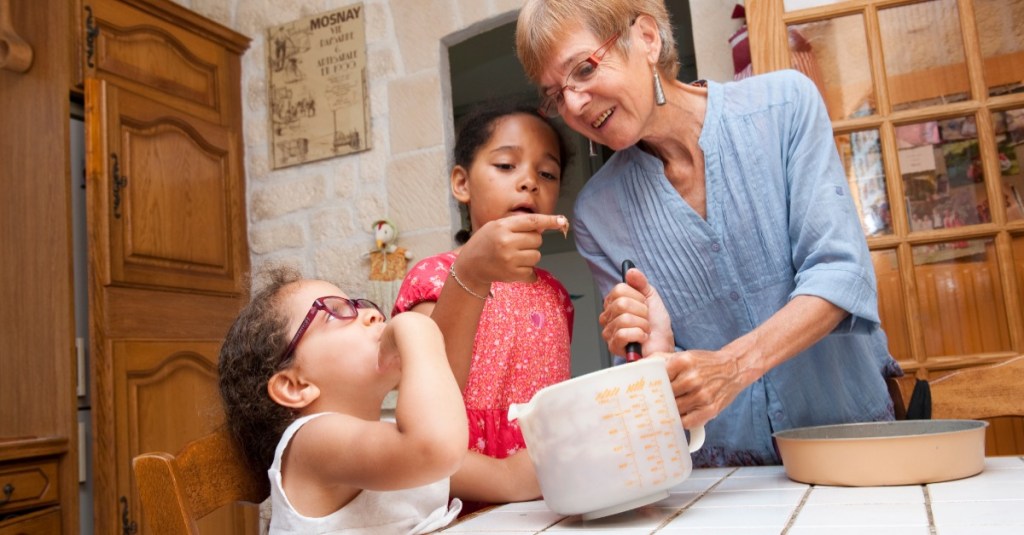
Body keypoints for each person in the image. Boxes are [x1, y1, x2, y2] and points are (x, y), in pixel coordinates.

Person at [515, 0, 903, 467]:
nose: (573, 105)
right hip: (722, 481)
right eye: (556, 94)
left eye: (583, 69)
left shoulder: (783, 107)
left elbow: (841, 272)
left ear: (647, 38)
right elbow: (645, 377)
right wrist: (654, 352)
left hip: (852, 447)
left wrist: (734, 365)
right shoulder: (597, 213)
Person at [392, 100, 574, 504]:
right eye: (506, 166)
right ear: (462, 183)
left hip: (547, 494)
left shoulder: (556, 295)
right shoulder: (433, 277)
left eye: (547, 173)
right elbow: (428, 406)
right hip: (457, 495)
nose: (529, 182)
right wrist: (470, 275)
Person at [217, 267, 467, 534]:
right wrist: (419, 331)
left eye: (360, 305)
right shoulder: (312, 442)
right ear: (295, 385)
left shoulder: (390, 437)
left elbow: (506, 477)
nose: (375, 315)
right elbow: (435, 448)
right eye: (335, 311)